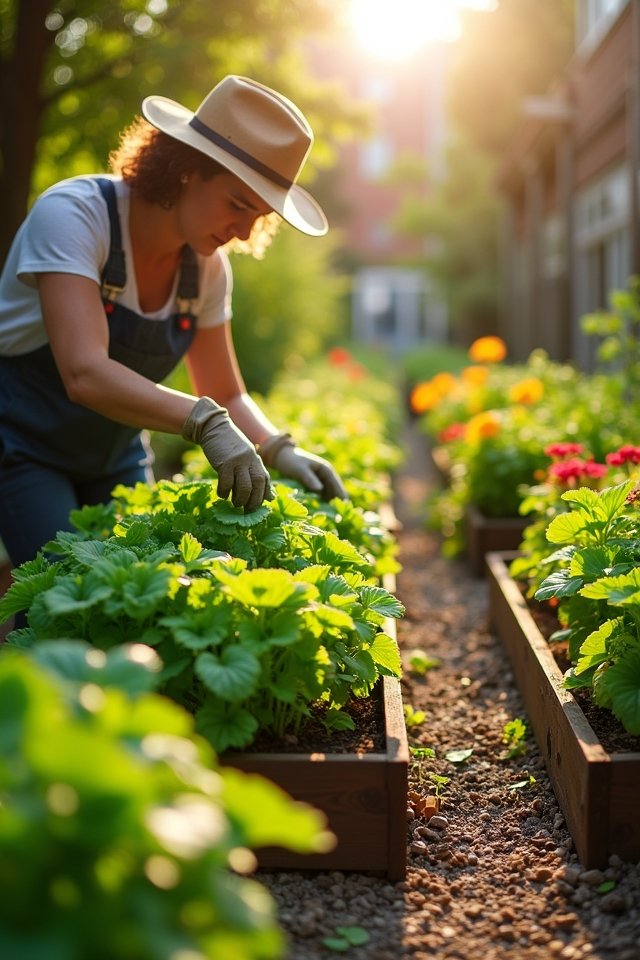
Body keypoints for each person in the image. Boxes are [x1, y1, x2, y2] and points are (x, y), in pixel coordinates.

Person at [0, 74, 346, 570]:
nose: (243, 231)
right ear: (186, 168)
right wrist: (204, 422)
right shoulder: (74, 216)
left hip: (117, 456)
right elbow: (84, 372)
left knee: (144, 588)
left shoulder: (206, 269)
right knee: (65, 589)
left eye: (259, 216)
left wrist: (278, 448)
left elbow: (225, 393)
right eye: (237, 205)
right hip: (25, 448)